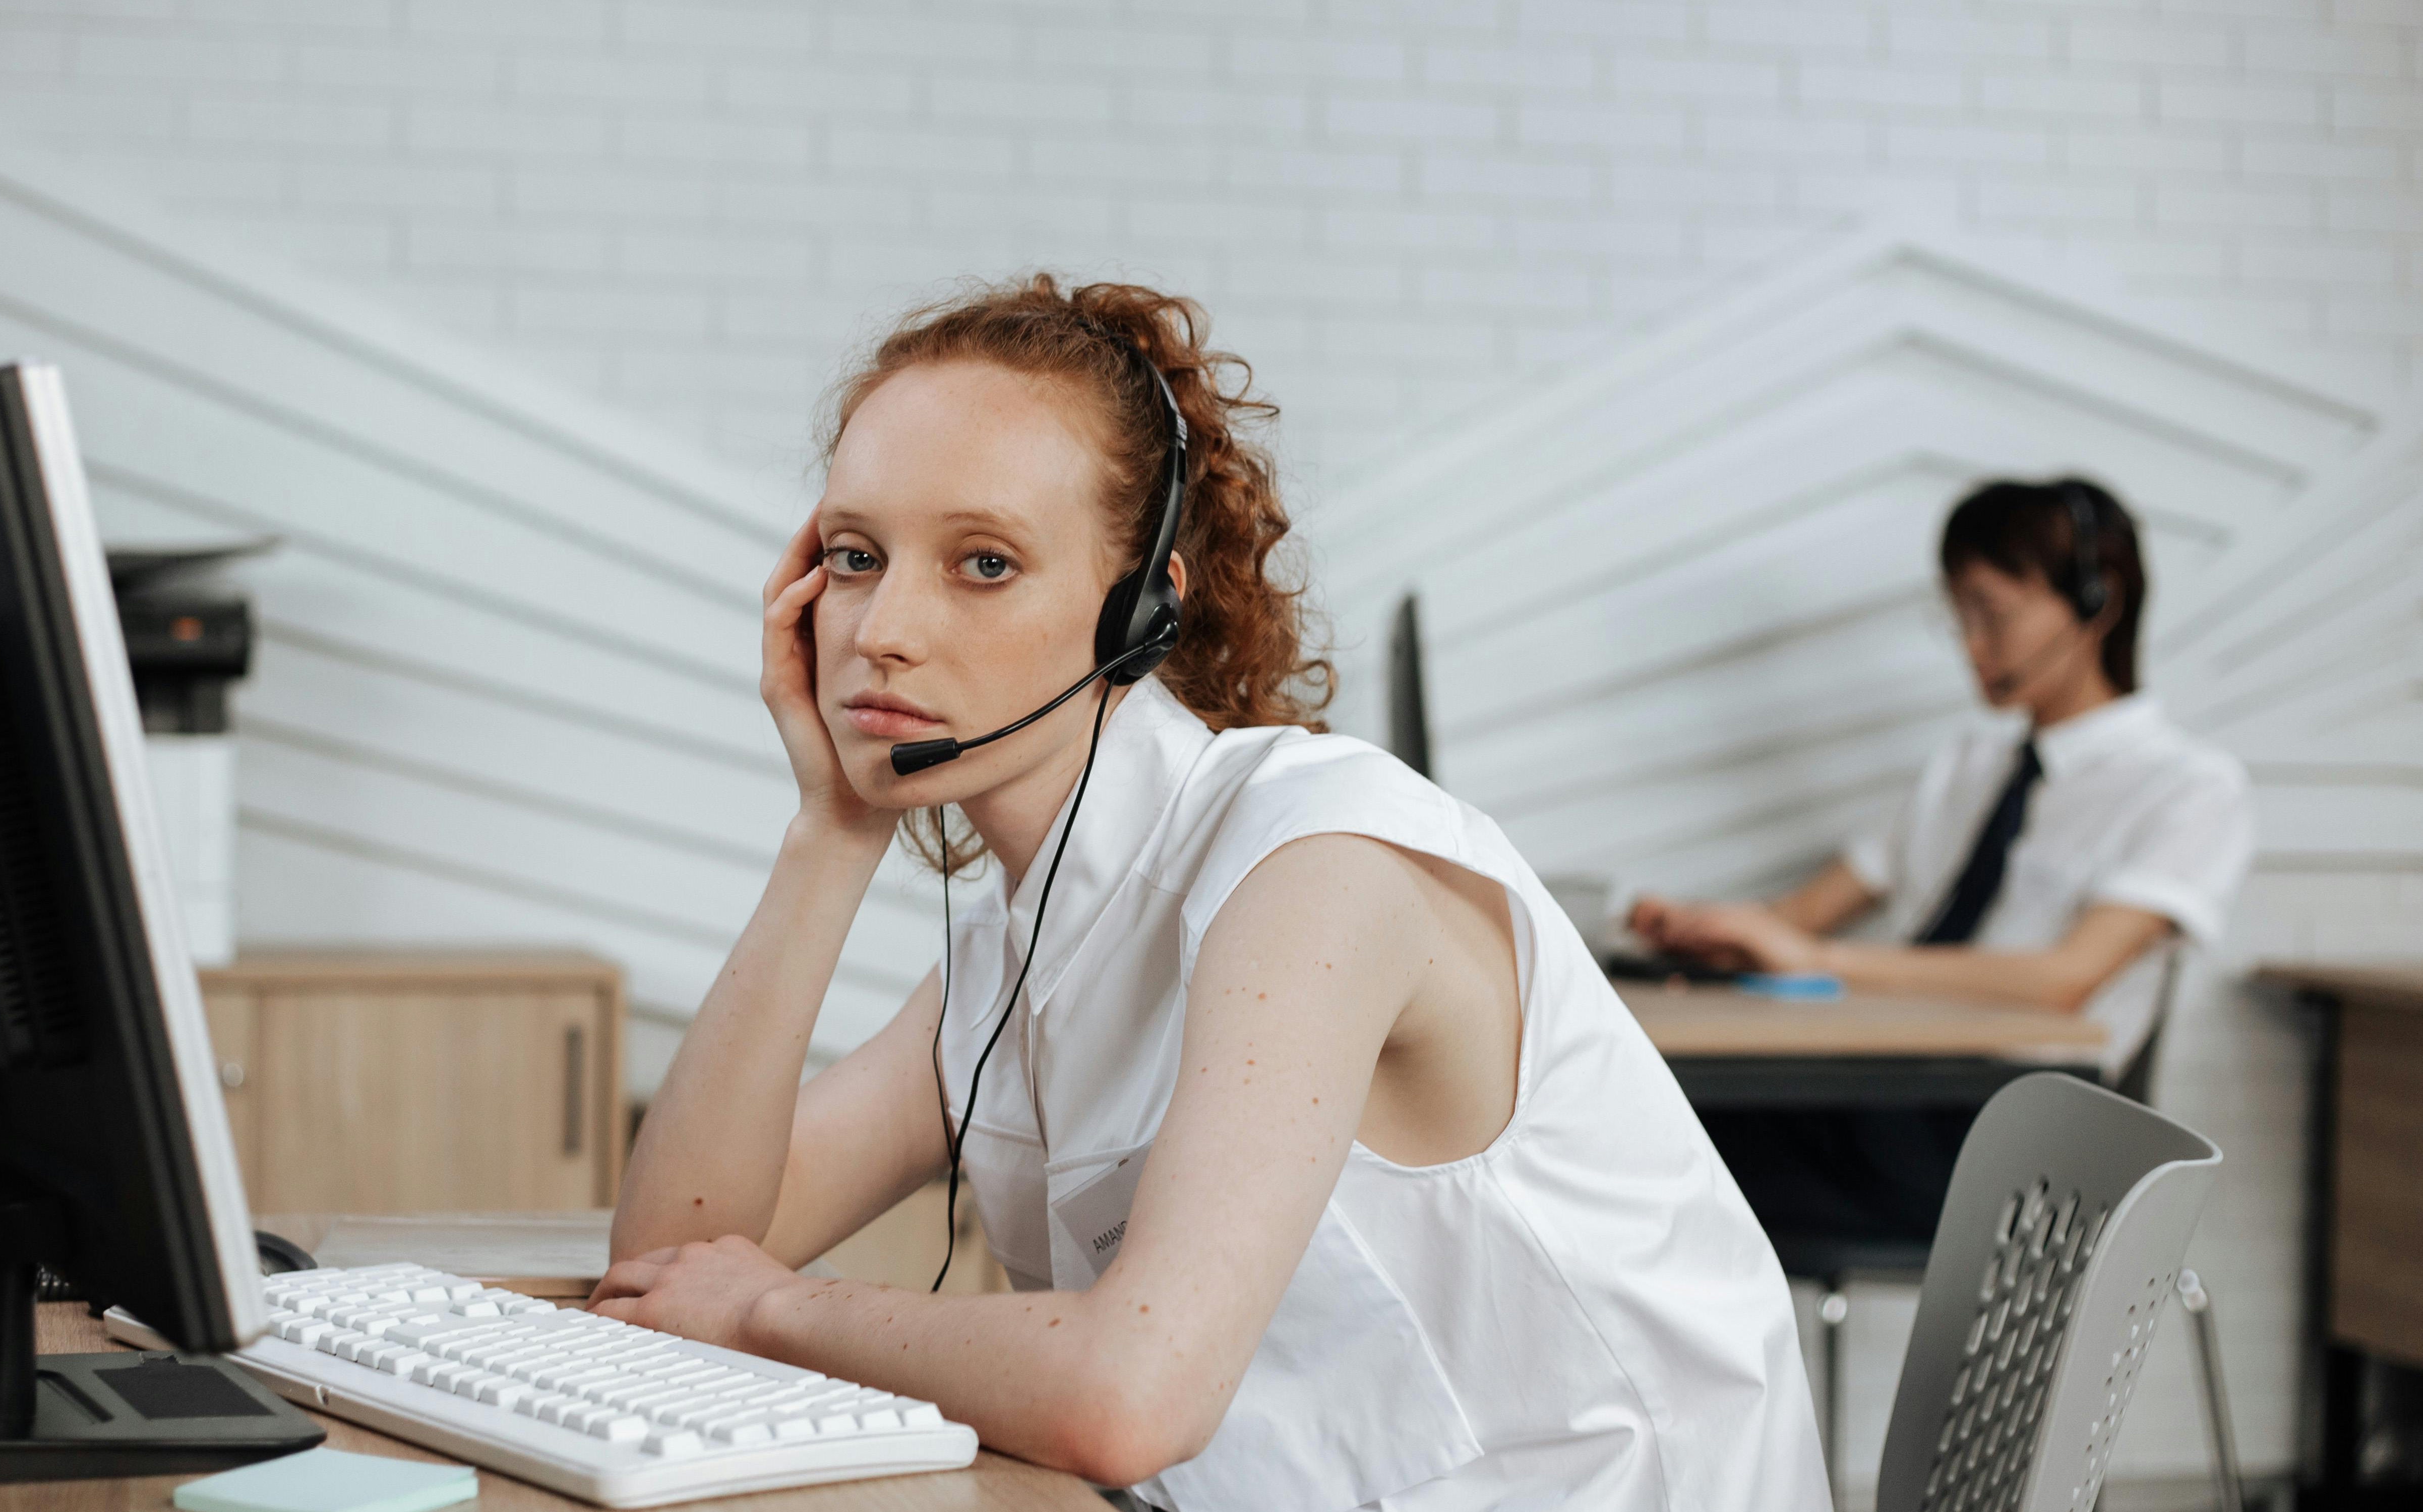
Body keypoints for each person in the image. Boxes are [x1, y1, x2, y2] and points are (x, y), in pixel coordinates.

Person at [588, 276, 1826, 1511]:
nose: (883, 628)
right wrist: (831, 830)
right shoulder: (1014, 943)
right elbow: (664, 1262)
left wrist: (770, 1311)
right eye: (855, 558)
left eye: (984, 562)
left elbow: (1131, 1396)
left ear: (1143, 610)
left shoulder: (1320, 860)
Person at [1626, 479, 2253, 1241]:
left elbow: (2066, 980)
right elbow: (1800, 918)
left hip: (2015, 1152)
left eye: (1991, 614)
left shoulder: (2188, 787)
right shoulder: (1964, 766)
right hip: (1878, 1098)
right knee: (1634, 1122)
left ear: (2098, 602)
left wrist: (1816, 960)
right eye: (1957, 616)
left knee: (1650, 1164)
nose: (1970, 646)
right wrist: (1706, 931)